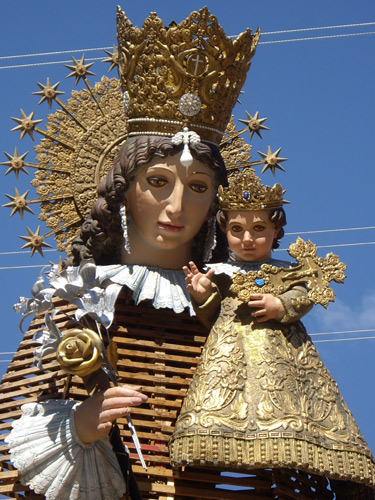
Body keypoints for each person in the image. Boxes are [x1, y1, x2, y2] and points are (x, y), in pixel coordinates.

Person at [1, 7, 261, 500]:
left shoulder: (236, 304)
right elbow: (14, 450)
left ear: (216, 204)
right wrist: (79, 426)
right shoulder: (76, 297)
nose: (177, 205)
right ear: (123, 190)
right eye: (158, 182)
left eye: (199, 186)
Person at [170, 168, 375, 498]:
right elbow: (212, 315)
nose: (247, 238)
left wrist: (281, 306)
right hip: (228, 359)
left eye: (258, 228)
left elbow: (304, 294)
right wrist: (202, 295)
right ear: (224, 231)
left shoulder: (287, 269)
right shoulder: (221, 272)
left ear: (276, 230)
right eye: (237, 229)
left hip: (283, 359)